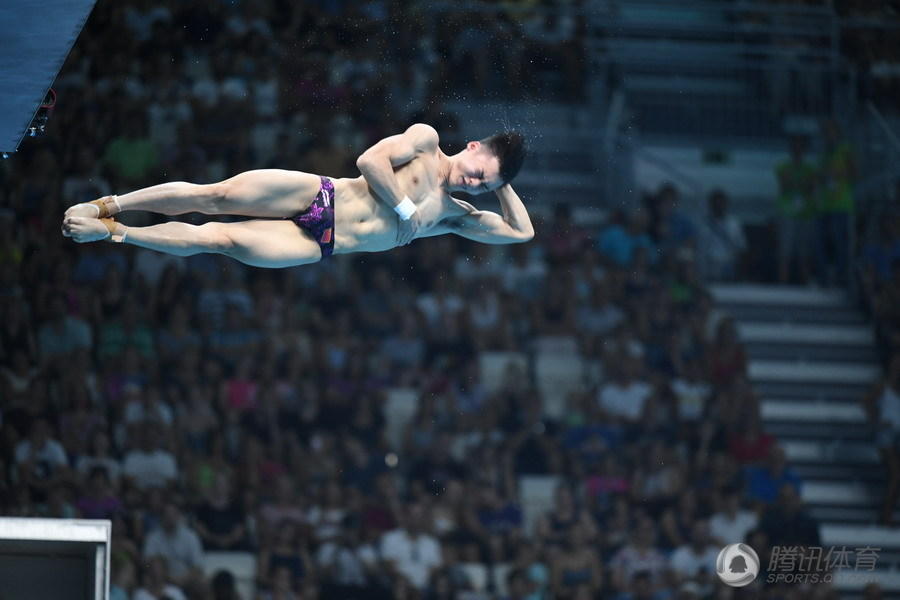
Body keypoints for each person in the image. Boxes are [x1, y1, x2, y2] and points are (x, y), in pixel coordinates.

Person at [62, 124, 532, 268]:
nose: (476, 184)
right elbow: (369, 162)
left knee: (217, 241)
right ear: (473, 146)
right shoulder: (426, 144)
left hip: (320, 244)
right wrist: (407, 207)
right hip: (320, 193)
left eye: (487, 186)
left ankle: (113, 231)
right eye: (480, 172)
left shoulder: (455, 215)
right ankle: (110, 204)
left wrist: (503, 180)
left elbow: (521, 232)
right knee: (215, 196)